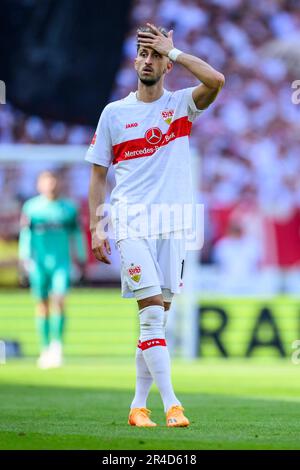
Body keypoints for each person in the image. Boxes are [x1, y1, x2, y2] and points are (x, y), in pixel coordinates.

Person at [86, 23, 224, 427]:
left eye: (156, 55)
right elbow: (97, 176)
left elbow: (216, 80)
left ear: (166, 65)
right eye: (143, 54)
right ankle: (172, 404)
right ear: (135, 61)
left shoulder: (182, 105)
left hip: (173, 224)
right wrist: (97, 227)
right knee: (150, 315)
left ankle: (137, 406)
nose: (148, 60)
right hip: (130, 222)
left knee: (156, 319)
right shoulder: (114, 112)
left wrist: (176, 51)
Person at [19, 171, 87, 369]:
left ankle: (57, 346)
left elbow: (77, 234)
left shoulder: (68, 208)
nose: (51, 185)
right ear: (39, 185)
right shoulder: (31, 208)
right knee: (42, 305)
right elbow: (25, 235)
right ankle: (44, 348)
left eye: (54, 181)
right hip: (38, 264)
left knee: (59, 300)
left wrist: (81, 258)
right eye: (46, 181)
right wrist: (24, 258)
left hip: (61, 264)